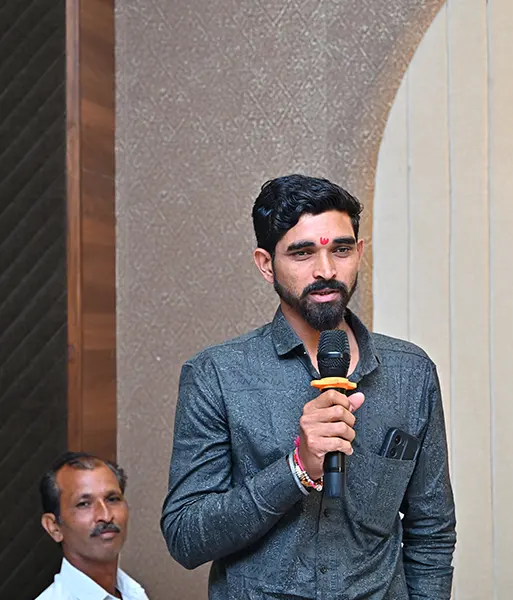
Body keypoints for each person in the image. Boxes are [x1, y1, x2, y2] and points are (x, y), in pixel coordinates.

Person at [161, 174, 456, 599]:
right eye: (302, 253)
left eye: (341, 249)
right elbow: (186, 536)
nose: (326, 271)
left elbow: (432, 531)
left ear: (360, 252)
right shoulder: (217, 375)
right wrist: (296, 468)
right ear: (266, 264)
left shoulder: (411, 372)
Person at [36, 451, 149, 600]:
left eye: (112, 499)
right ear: (54, 527)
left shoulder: (133, 593)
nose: (106, 516)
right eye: (84, 504)